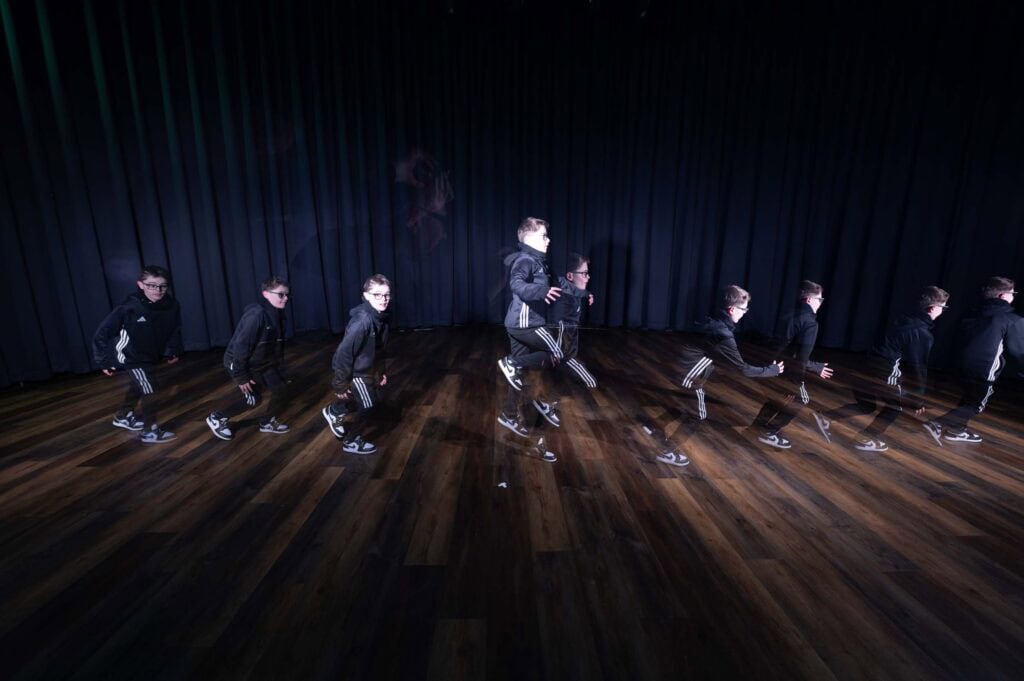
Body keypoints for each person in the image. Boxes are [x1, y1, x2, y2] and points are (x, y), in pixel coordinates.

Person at [658, 284, 784, 466]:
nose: (744, 313)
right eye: (743, 309)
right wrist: (772, 370)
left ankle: (652, 427)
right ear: (732, 309)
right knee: (698, 415)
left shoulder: (715, 322)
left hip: (682, 368)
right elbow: (743, 369)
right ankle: (667, 452)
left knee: (686, 405)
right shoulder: (723, 334)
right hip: (689, 375)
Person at [820, 285, 949, 451]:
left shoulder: (903, 319)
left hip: (865, 363)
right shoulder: (921, 333)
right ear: (932, 308)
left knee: (867, 405)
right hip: (883, 368)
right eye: (943, 307)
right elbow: (919, 368)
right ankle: (865, 439)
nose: (943, 311)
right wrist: (918, 400)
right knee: (895, 407)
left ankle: (824, 417)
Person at [924, 277, 1023, 444]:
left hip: (960, 364)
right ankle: (937, 424)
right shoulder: (1011, 319)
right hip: (984, 367)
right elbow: (1018, 350)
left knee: (970, 396)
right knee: (978, 403)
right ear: (1002, 296)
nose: (1013, 297)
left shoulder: (972, 312)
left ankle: (957, 430)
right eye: (1012, 293)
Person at [496, 217, 562, 462]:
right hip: (526, 324)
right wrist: (541, 291)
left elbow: (559, 285)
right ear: (530, 238)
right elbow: (517, 285)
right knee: (560, 351)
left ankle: (509, 415)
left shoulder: (539, 262)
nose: (549, 240)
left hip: (518, 325)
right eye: (544, 236)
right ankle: (544, 400)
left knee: (519, 375)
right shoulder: (525, 260)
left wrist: (582, 293)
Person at [92, 265, 182, 443]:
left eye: (162, 285)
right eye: (151, 285)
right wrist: (103, 361)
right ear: (140, 285)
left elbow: (174, 329)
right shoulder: (130, 307)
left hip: (152, 355)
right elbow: (102, 333)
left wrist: (173, 350)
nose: (158, 290)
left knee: (138, 385)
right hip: (132, 356)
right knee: (150, 388)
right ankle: (150, 431)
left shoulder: (171, 305)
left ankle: (123, 416)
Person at [205, 276, 293, 440]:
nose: (286, 298)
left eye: (287, 294)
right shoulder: (256, 315)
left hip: (263, 362)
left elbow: (276, 345)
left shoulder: (278, 314)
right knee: (253, 400)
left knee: (281, 389)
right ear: (266, 294)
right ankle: (217, 417)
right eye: (281, 294)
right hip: (241, 362)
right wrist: (241, 376)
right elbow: (241, 348)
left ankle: (267, 422)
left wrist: (279, 368)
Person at [753, 280, 833, 449]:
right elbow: (801, 356)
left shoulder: (790, 314)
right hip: (790, 368)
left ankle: (756, 427)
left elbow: (784, 345)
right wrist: (811, 370)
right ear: (810, 300)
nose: (821, 303)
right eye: (820, 299)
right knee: (801, 399)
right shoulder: (810, 322)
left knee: (779, 397)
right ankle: (769, 432)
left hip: (775, 362)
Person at [321, 274, 392, 454]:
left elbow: (379, 349)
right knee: (368, 405)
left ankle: (334, 411)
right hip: (355, 372)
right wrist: (340, 384)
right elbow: (343, 354)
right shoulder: (363, 321)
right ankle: (351, 442)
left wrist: (381, 370)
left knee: (367, 399)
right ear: (366, 295)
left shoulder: (380, 317)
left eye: (386, 295)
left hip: (367, 369)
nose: (383, 299)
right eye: (377, 295)